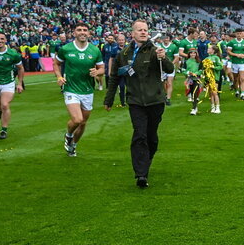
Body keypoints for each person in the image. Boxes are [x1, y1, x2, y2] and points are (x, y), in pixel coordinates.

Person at [104, 20, 174, 188]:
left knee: (151, 137)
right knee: (139, 135)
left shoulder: (155, 51)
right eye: (140, 30)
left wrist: (163, 58)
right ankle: (141, 174)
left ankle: (146, 160)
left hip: (155, 101)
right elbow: (115, 77)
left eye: (145, 30)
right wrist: (109, 98)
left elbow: (170, 69)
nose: (143, 32)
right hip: (135, 101)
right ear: (133, 33)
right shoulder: (124, 53)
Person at [54, 23, 104, 157]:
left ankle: (73, 145)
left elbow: (102, 69)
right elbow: (56, 63)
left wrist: (97, 72)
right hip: (71, 89)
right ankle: (68, 135)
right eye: (79, 30)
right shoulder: (66, 49)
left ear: (89, 34)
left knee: (83, 123)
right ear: (74, 33)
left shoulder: (95, 50)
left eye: (85, 30)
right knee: (77, 119)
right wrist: (59, 76)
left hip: (88, 91)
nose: (82, 32)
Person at [227, 27, 244, 99]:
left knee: (242, 78)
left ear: (242, 34)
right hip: (235, 62)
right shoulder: (232, 42)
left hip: (243, 62)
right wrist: (236, 55)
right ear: (235, 34)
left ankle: (242, 94)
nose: (239, 35)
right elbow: (229, 51)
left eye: (240, 33)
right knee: (236, 78)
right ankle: (236, 90)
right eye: (237, 34)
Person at [201, 43, 224, 114]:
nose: (208, 49)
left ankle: (218, 107)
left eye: (209, 48)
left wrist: (213, 67)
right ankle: (212, 107)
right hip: (208, 78)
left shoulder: (216, 58)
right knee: (210, 93)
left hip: (215, 77)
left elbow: (220, 66)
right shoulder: (206, 58)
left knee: (215, 92)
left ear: (213, 50)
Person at [160, 33, 179, 106]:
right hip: (162, 68)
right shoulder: (159, 46)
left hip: (170, 67)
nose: (166, 39)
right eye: (164, 37)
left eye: (167, 37)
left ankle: (168, 99)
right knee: (163, 83)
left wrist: (171, 64)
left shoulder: (173, 46)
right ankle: (165, 94)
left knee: (169, 82)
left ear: (169, 38)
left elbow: (176, 58)